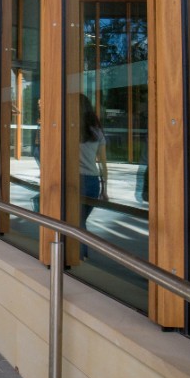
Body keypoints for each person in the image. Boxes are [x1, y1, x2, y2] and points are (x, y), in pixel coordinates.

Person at [79, 93, 108, 257]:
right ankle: (80, 254)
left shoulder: (71, 129)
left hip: (77, 180)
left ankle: (79, 255)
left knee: (77, 221)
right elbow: (103, 163)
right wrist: (104, 188)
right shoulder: (97, 132)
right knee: (80, 220)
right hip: (93, 182)